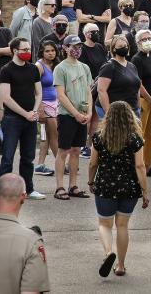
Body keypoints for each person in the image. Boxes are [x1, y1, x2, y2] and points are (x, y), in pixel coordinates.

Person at [88, 101, 149, 277]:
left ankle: (108, 253)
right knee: (122, 225)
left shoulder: (99, 137)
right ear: (130, 118)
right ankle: (121, 265)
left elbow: (93, 163)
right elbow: (140, 166)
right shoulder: (135, 139)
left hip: (105, 186)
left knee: (104, 224)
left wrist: (91, 182)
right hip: (129, 188)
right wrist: (145, 191)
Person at [0, 37, 46, 200]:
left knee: (28, 156)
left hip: (30, 119)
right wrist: (25, 113)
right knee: (8, 157)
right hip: (12, 119)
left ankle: (29, 189)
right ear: (14, 51)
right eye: (24, 49)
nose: (27, 52)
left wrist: (33, 111)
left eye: (28, 49)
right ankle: (3, 192)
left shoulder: (33, 69)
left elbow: (39, 93)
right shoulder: (6, 70)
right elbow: (6, 97)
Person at [51, 35, 93, 200]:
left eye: (79, 47)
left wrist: (88, 112)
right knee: (63, 151)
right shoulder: (60, 68)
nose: (77, 50)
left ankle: (73, 185)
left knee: (76, 150)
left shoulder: (85, 67)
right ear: (65, 48)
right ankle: (59, 186)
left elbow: (89, 91)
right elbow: (61, 95)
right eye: (73, 46)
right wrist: (75, 113)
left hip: (82, 115)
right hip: (67, 115)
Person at [131, 29, 151, 177]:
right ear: (138, 43)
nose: (147, 41)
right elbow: (138, 83)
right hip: (143, 100)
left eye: (149, 38)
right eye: (143, 39)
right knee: (140, 135)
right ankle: (138, 163)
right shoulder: (137, 59)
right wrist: (149, 99)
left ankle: (148, 164)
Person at [79, 23, 108, 157]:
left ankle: (90, 144)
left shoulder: (100, 47)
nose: (96, 33)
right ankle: (82, 144)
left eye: (97, 31)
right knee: (87, 117)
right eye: (93, 31)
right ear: (86, 34)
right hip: (87, 85)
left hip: (99, 84)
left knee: (95, 117)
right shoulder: (82, 48)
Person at [96, 35, 141, 117]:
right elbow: (101, 90)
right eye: (120, 46)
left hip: (133, 110)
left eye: (125, 46)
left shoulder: (132, 66)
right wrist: (108, 113)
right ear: (113, 49)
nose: (124, 48)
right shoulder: (108, 66)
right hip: (115, 112)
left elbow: (137, 88)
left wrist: (138, 107)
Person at [34, 41, 59, 176]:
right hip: (44, 104)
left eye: (53, 50)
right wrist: (40, 108)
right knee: (54, 135)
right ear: (42, 52)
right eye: (47, 51)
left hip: (55, 103)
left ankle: (40, 164)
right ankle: (60, 162)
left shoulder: (55, 65)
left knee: (47, 136)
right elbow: (34, 89)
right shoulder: (39, 66)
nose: (51, 53)